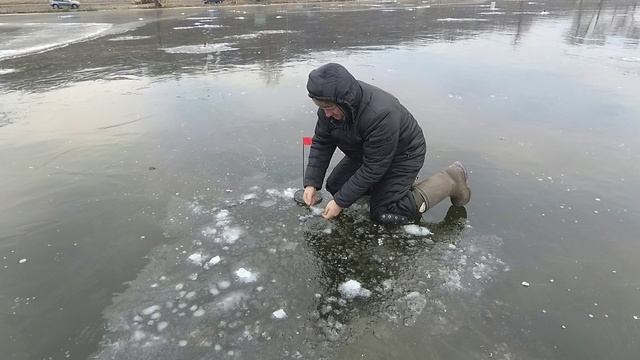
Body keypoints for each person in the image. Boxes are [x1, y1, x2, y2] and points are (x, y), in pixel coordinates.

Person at [302, 63, 470, 225]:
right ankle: (388, 190)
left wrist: (340, 203)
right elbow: (322, 143)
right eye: (321, 107)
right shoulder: (330, 108)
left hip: (404, 154)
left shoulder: (380, 114)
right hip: (367, 152)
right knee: (337, 186)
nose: (327, 114)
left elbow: (373, 167)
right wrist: (312, 183)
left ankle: (450, 180)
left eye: (330, 108)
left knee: (384, 212)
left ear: (344, 100)